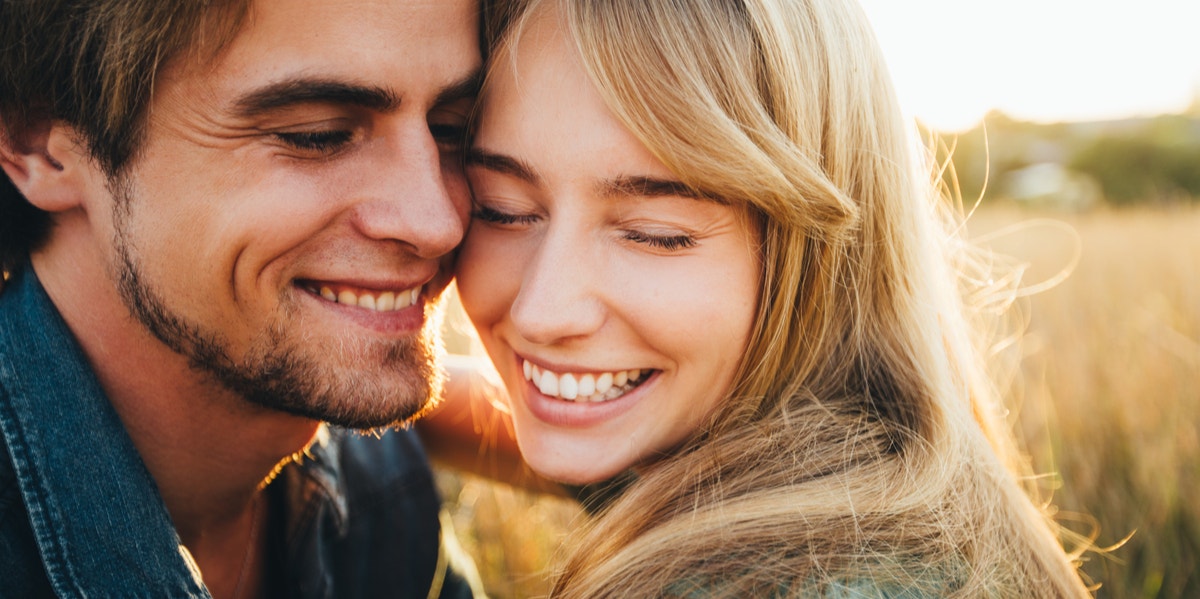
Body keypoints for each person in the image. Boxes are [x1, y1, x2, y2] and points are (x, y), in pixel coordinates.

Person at [454, 0, 1094, 596]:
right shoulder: (841, 466)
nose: (542, 310)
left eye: (657, 236)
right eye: (501, 211)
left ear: (817, 257)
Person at [0, 0, 486, 597]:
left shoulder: (378, 483)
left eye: (455, 130)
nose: (437, 221)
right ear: (39, 144)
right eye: (317, 136)